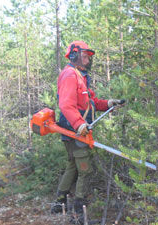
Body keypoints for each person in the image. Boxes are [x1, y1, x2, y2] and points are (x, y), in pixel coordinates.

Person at [51, 41, 124, 220]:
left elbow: (90, 102)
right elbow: (66, 105)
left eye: (89, 57)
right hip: (74, 132)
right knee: (84, 169)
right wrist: (79, 124)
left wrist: (107, 103)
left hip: (76, 130)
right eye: (85, 56)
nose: (88, 60)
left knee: (72, 166)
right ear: (74, 55)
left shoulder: (80, 76)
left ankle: (59, 203)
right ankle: (78, 210)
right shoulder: (70, 75)